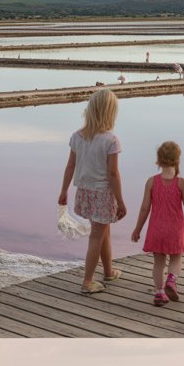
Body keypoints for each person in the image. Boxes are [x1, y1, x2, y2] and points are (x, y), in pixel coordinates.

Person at [58, 87, 126, 294]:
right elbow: (113, 174)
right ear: (110, 113)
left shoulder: (77, 137)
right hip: (102, 193)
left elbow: (70, 166)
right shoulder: (111, 140)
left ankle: (108, 272)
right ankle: (87, 282)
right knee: (96, 235)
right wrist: (121, 202)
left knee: (103, 230)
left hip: (85, 192)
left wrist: (64, 191)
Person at [131, 141, 184, 306]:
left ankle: (159, 293)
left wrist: (137, 229)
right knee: (176, 258)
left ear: (158, 161)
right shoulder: (181, 183)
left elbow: (145, 208)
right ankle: (171, 281)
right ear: (177, 160)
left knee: (158, 263)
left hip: (156, 230)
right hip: (175, 230)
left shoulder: (151, 182)